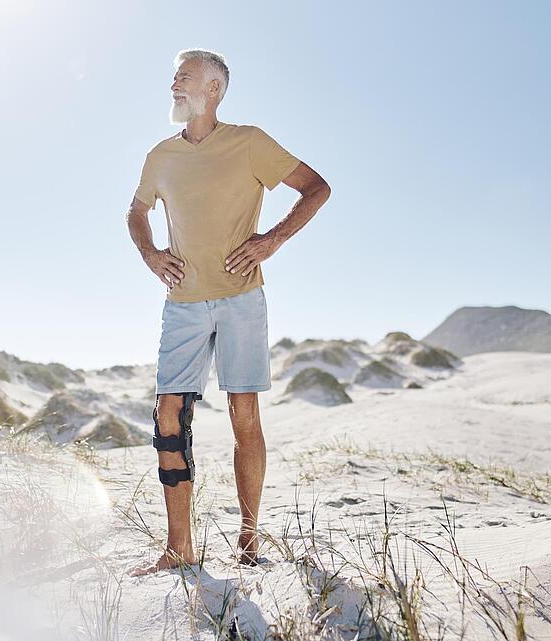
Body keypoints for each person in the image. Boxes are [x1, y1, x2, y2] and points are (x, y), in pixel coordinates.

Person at [125, 48, 331, 575]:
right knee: (168, 413)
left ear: (213, 88)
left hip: (242, 298)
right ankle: (179, 548)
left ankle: (248, 541)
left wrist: (271, 241)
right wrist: (151, 254)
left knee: (244, 414)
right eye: (174, 76)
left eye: (185, 76)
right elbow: (137, 210)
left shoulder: (250, 142)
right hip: (183, 303)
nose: (175, 83)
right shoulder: (160, 155)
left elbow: (316, 187)